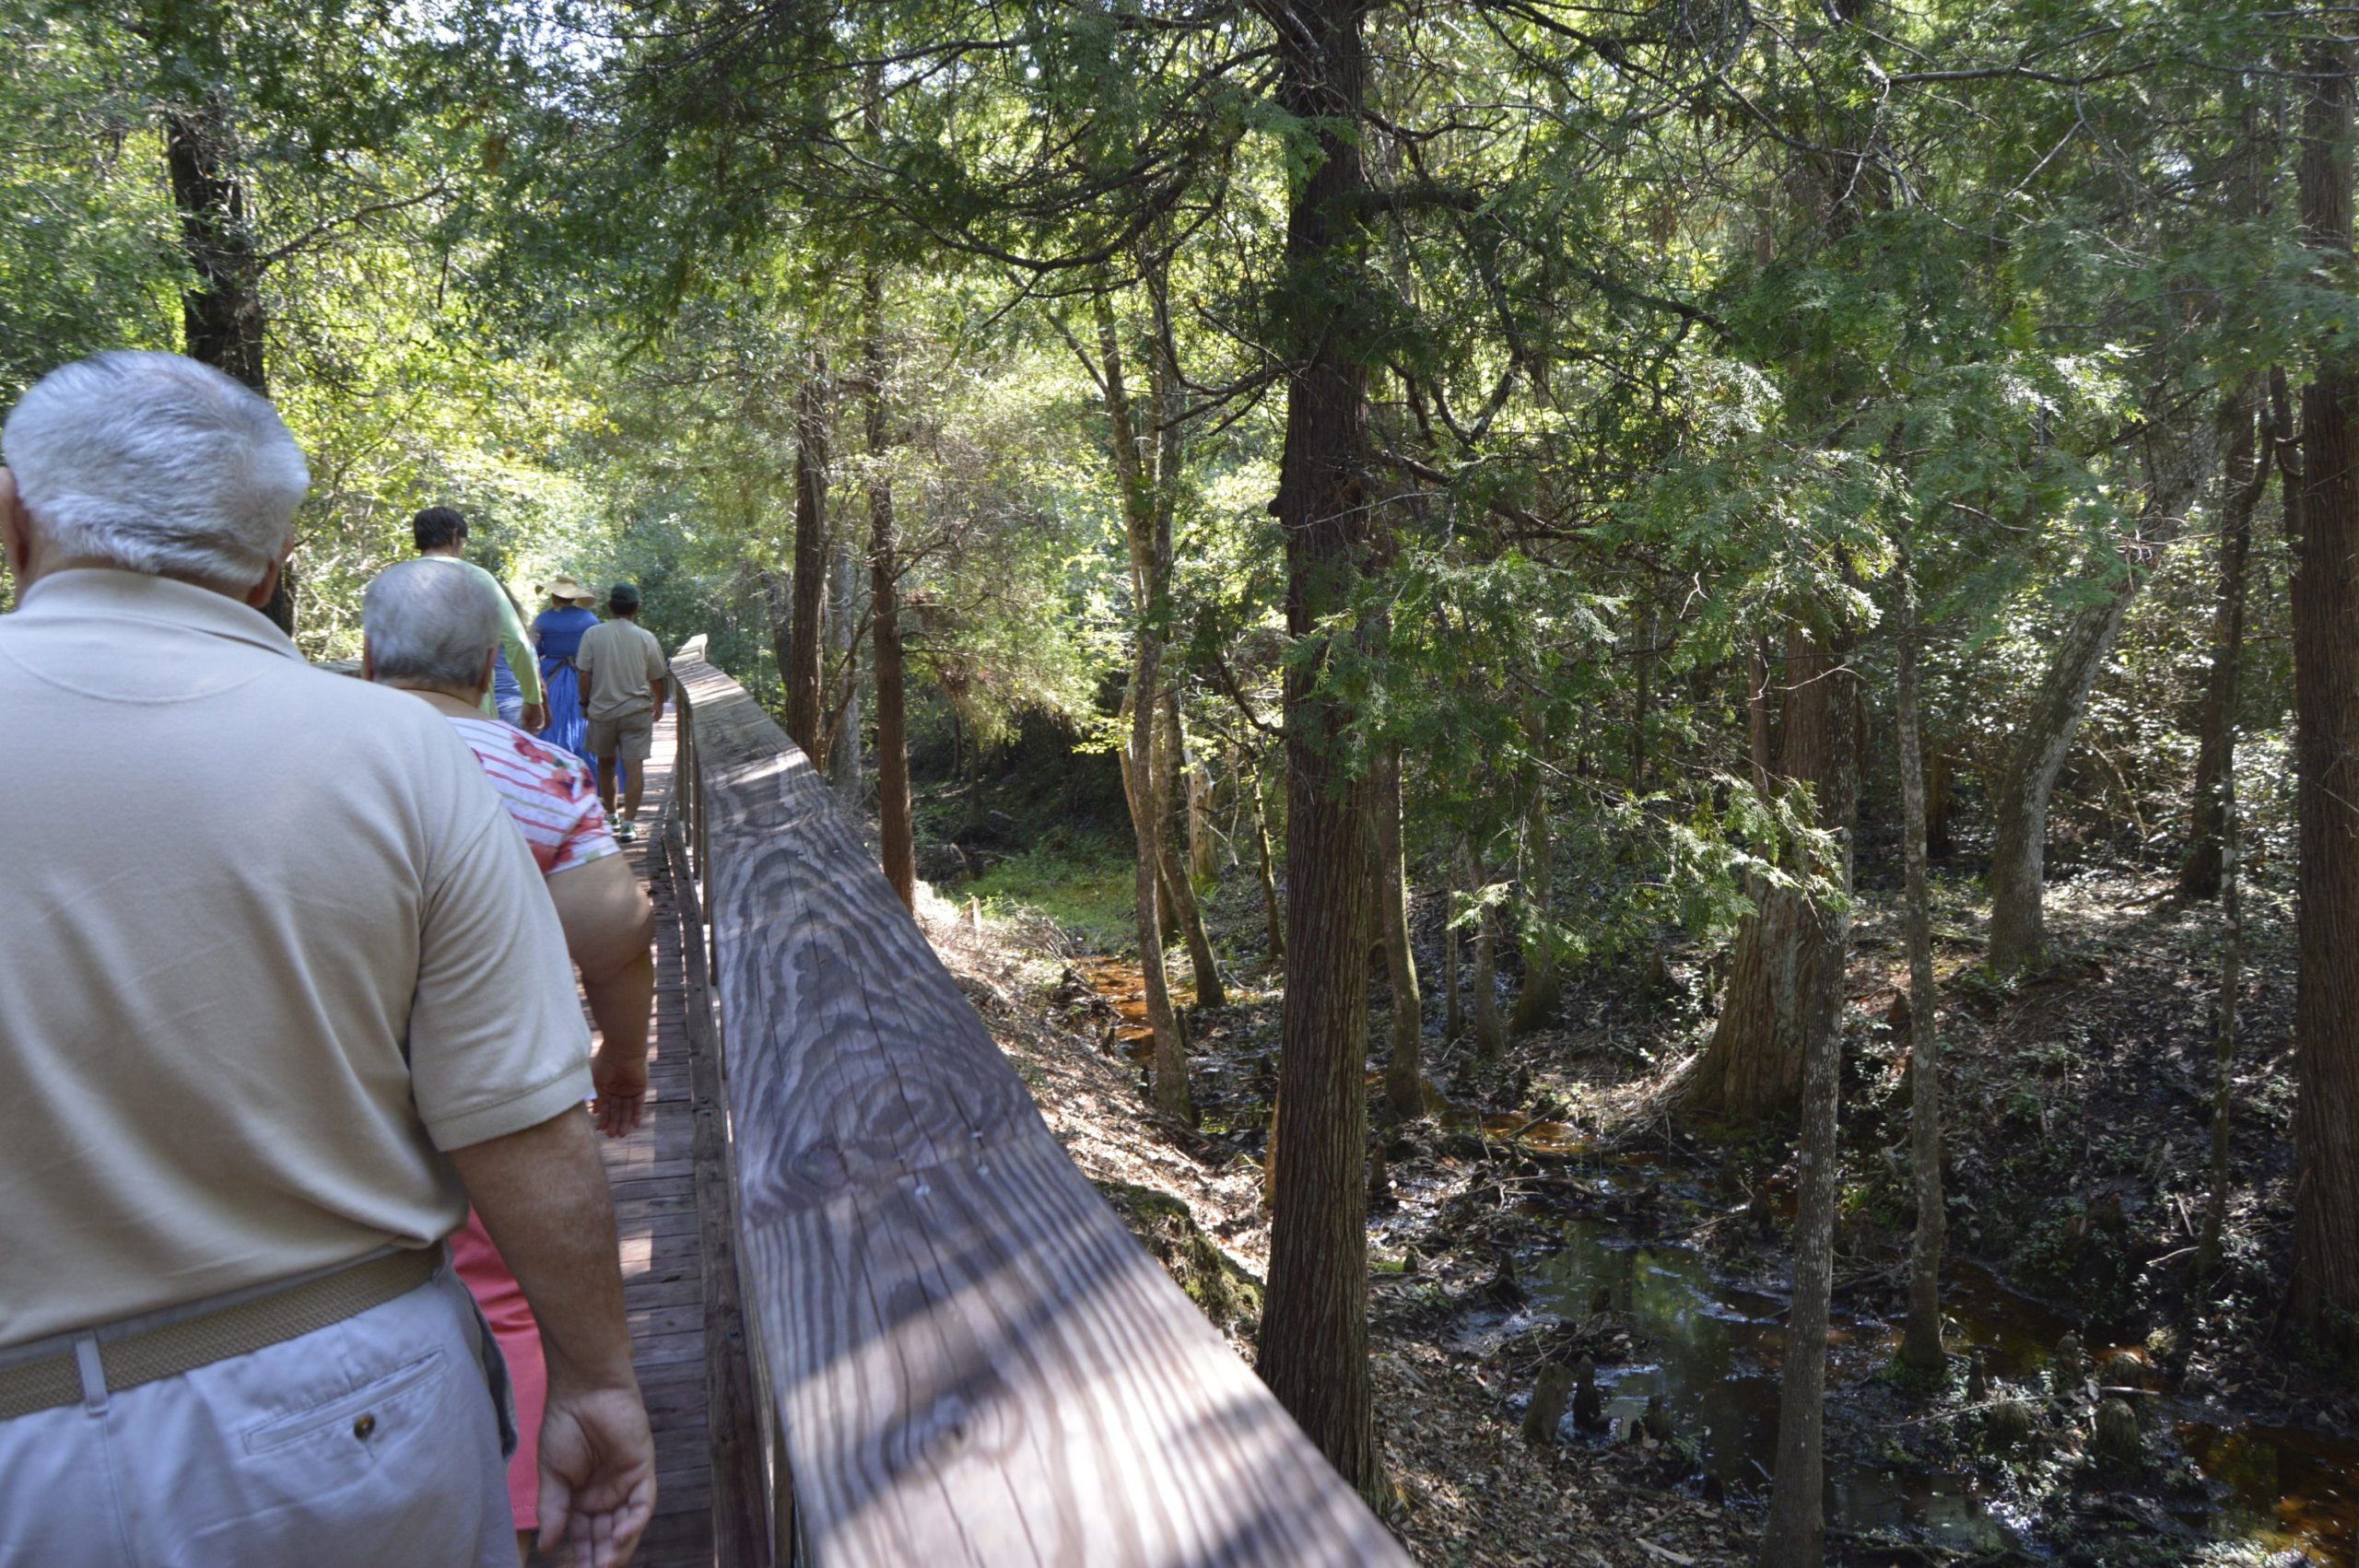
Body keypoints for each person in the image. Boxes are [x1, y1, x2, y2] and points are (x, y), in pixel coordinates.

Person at [0, 352, 654, 1568]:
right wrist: (597, 1378)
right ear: (270, 561)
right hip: (352, 1418)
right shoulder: (400, 756)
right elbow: (521, 1120)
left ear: (12, 515)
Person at [363, 556, 656, 1562]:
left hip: (339, 1099)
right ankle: (529, 1518)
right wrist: (622, 1056)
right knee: (510, 1301)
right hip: (499, 1097)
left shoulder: (304, 755)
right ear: (492, 663)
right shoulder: (541, 775)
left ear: (364, 656)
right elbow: (615, 935)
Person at [414, 506, 546, 732]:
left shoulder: (392, 580)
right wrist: (533, 700)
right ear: (455, 536)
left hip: (412, 709)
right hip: (470, 708)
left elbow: (372, 650)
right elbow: (516, 641)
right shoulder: (478, 578)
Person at [575, 582, 668, 844]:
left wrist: (584, 703)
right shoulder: (645, 637)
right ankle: (629, 824)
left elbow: (584, 673)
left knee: (605, 761)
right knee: (634, 764)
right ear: (636, 609)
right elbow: (657, 676)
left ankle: (611, 814)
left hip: (602, 710)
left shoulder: (593, 634)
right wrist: (659, 703)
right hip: (637, 710)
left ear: (610, 606)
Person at [534, 575, 602, 766]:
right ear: (574, 597)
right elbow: (597, 652)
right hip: (583, 675)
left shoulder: (543, 619)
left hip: (551, 675)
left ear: (554, 596)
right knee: (586, 726)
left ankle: (551, 771)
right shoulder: (589, 619)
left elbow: (535, 652)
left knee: (550, 726)